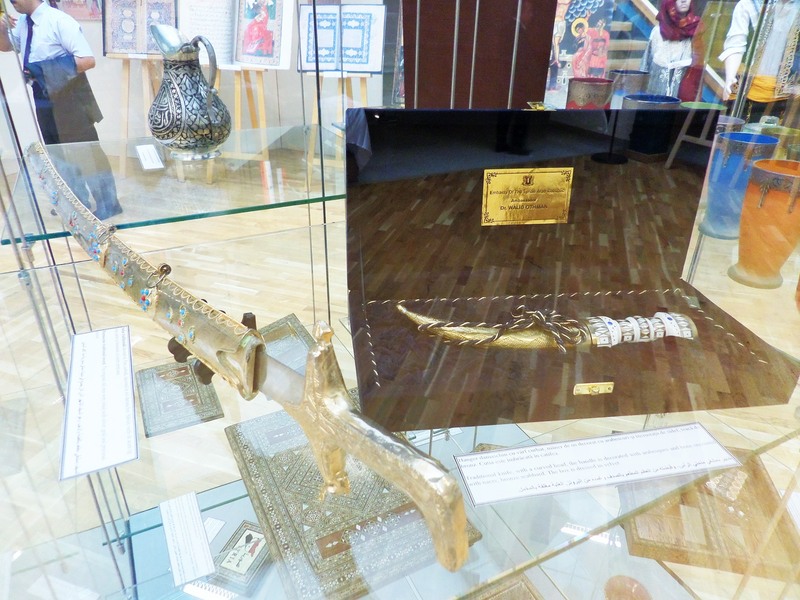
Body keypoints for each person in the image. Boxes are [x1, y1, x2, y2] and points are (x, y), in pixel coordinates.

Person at [0, 0, 122, 219]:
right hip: (42, 95)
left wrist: (41, 69)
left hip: (70, 95)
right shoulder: (24, 24)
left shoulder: (59, 21)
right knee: (57, 152)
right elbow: (7, 46)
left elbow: (87, 60)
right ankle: (76, 201)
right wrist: (1, 30)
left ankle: (109, 203)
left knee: (85, 152)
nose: (12, 1)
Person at [720, 0, 800, 122]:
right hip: (744, 93)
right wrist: (730, 77)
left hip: (786, 97)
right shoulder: (749, 4)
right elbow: (735, 44)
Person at [639, 0, 702, 99]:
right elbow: (645, 66)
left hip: (683, 97)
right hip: (656, 94)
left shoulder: (696, 29)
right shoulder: (658, 32)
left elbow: (699, 68)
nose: (684, 1)